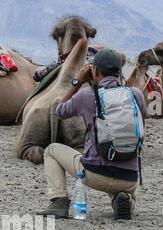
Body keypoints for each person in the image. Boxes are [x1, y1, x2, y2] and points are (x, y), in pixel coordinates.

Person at [36, 48, 144, 220]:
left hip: (95, 174)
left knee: (51, 150)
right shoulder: (136, 94)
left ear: (95, 70)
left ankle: (59, 202)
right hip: (129, 177)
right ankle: (123, 200)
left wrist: (78, 81)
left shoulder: (87, 96)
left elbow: (59, 111)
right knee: (122, 187)